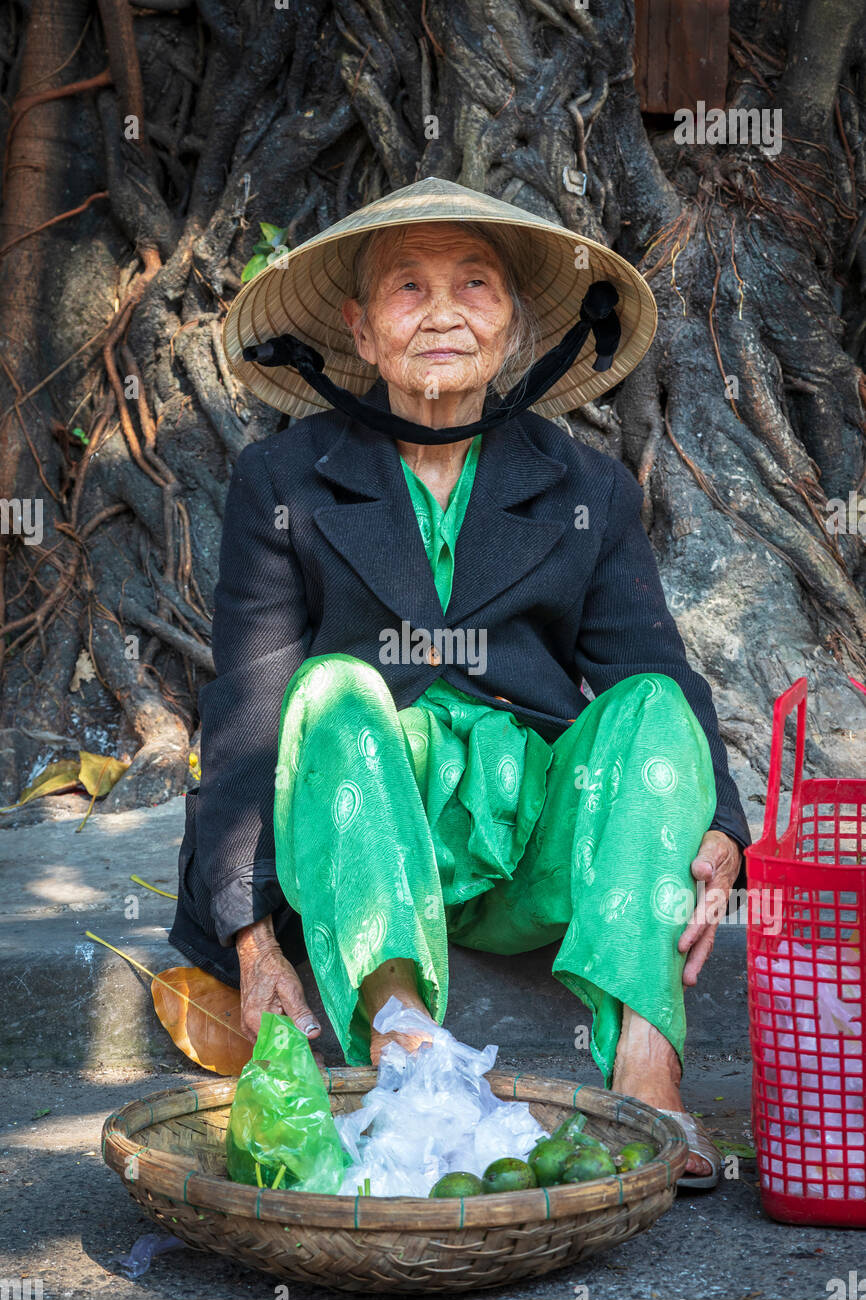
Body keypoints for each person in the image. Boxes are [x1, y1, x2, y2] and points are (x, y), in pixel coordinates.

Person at [170, 177, 752, 1188]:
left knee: (654, 708)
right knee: (333, 687)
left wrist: (720, 828)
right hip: (366, 838)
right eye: (407, 287)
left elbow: (649, 665)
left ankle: (646, 1077)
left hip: (529, 842)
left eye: (474, 284)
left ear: (516, 324)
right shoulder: (282, 483)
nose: (441, 311)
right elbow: (250, 707)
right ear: (357, 327)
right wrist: (251, 932)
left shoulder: (587, 489)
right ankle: (403, 1048)